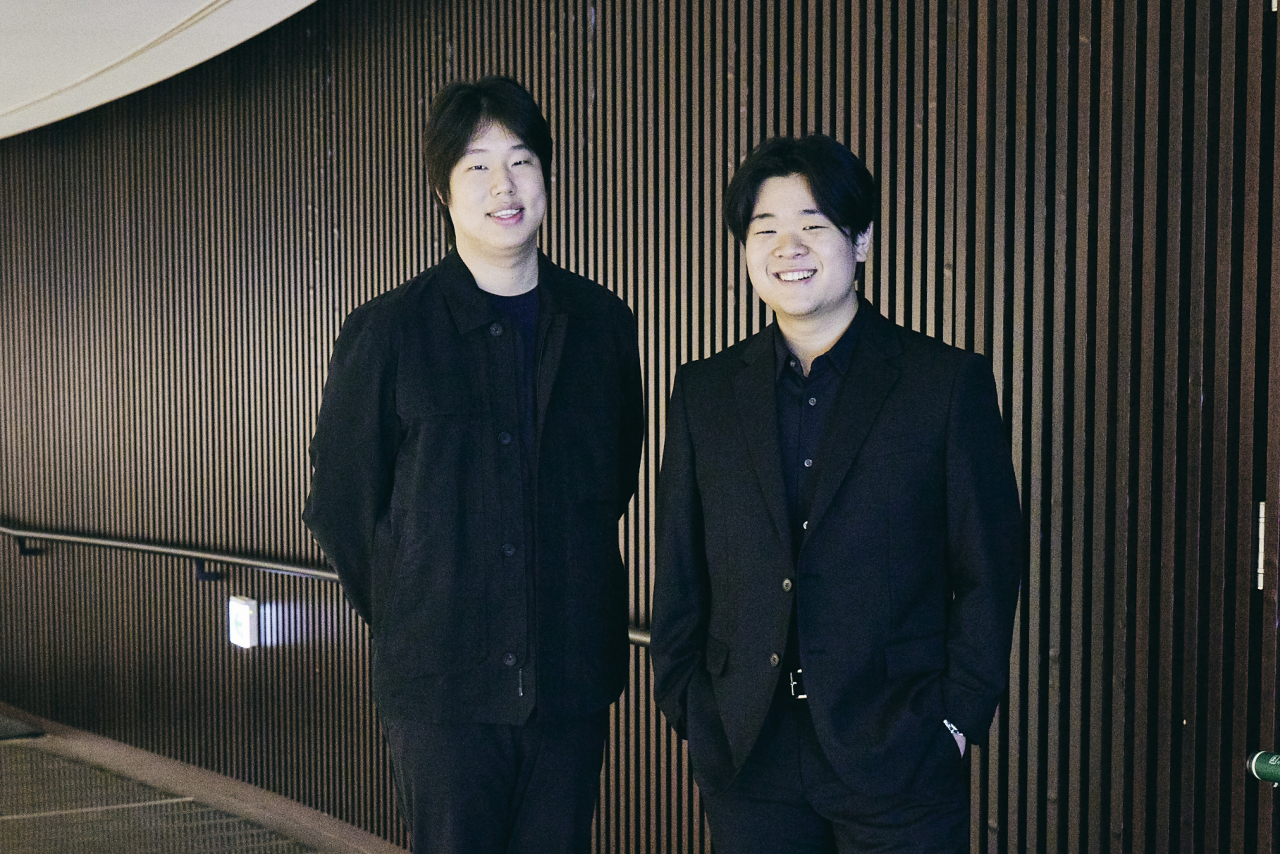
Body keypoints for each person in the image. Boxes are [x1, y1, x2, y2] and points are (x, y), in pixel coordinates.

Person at [651, 135, 1022, 853]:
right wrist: (689, 705)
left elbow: (988, 568)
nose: (789, 246)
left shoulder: (943, 385)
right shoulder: (704, 393)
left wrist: (955, 722)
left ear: (862, 240)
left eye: (813, 225)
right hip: (748, 751)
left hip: (897, 749)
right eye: (766, 230)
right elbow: (681, 567)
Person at [303, 76, 644, 854]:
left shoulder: (602, 325)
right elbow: (342, 505)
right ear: (442, 191)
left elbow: (611, 479)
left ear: (547, 177)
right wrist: (417, 611)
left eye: (521, 162)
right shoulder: (388, 332)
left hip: (570, 684)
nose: (504, 187)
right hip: (441, 696)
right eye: (476, 166)